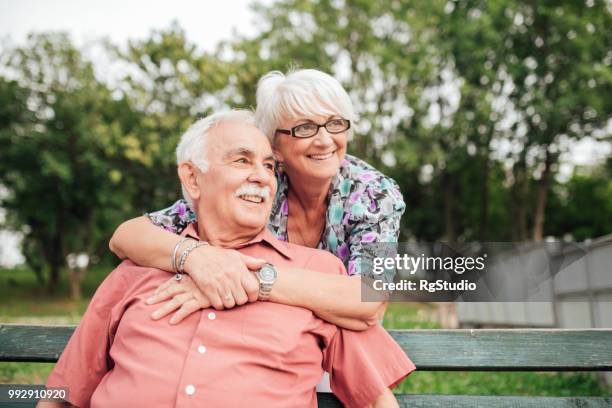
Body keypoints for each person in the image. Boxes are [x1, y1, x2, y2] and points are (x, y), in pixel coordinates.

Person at [37, 111, 415, 408]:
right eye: (241, 160)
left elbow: (373, 383)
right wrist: (196, 257)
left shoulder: (325, 267)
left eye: (268, 166)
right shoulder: (137, 269)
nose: (263, 177)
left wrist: (253, 281)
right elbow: (65, 392)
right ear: (193, 178)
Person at [109, 69, 406, 332]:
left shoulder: (372, 192)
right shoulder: (258, 185)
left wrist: (248, 280)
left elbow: (370, 299)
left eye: (336, 124)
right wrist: (198, 257)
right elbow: (126, 236)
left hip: (339, 345)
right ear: (275, 146)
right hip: (266, 332)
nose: (325, 140)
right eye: (305, 128)